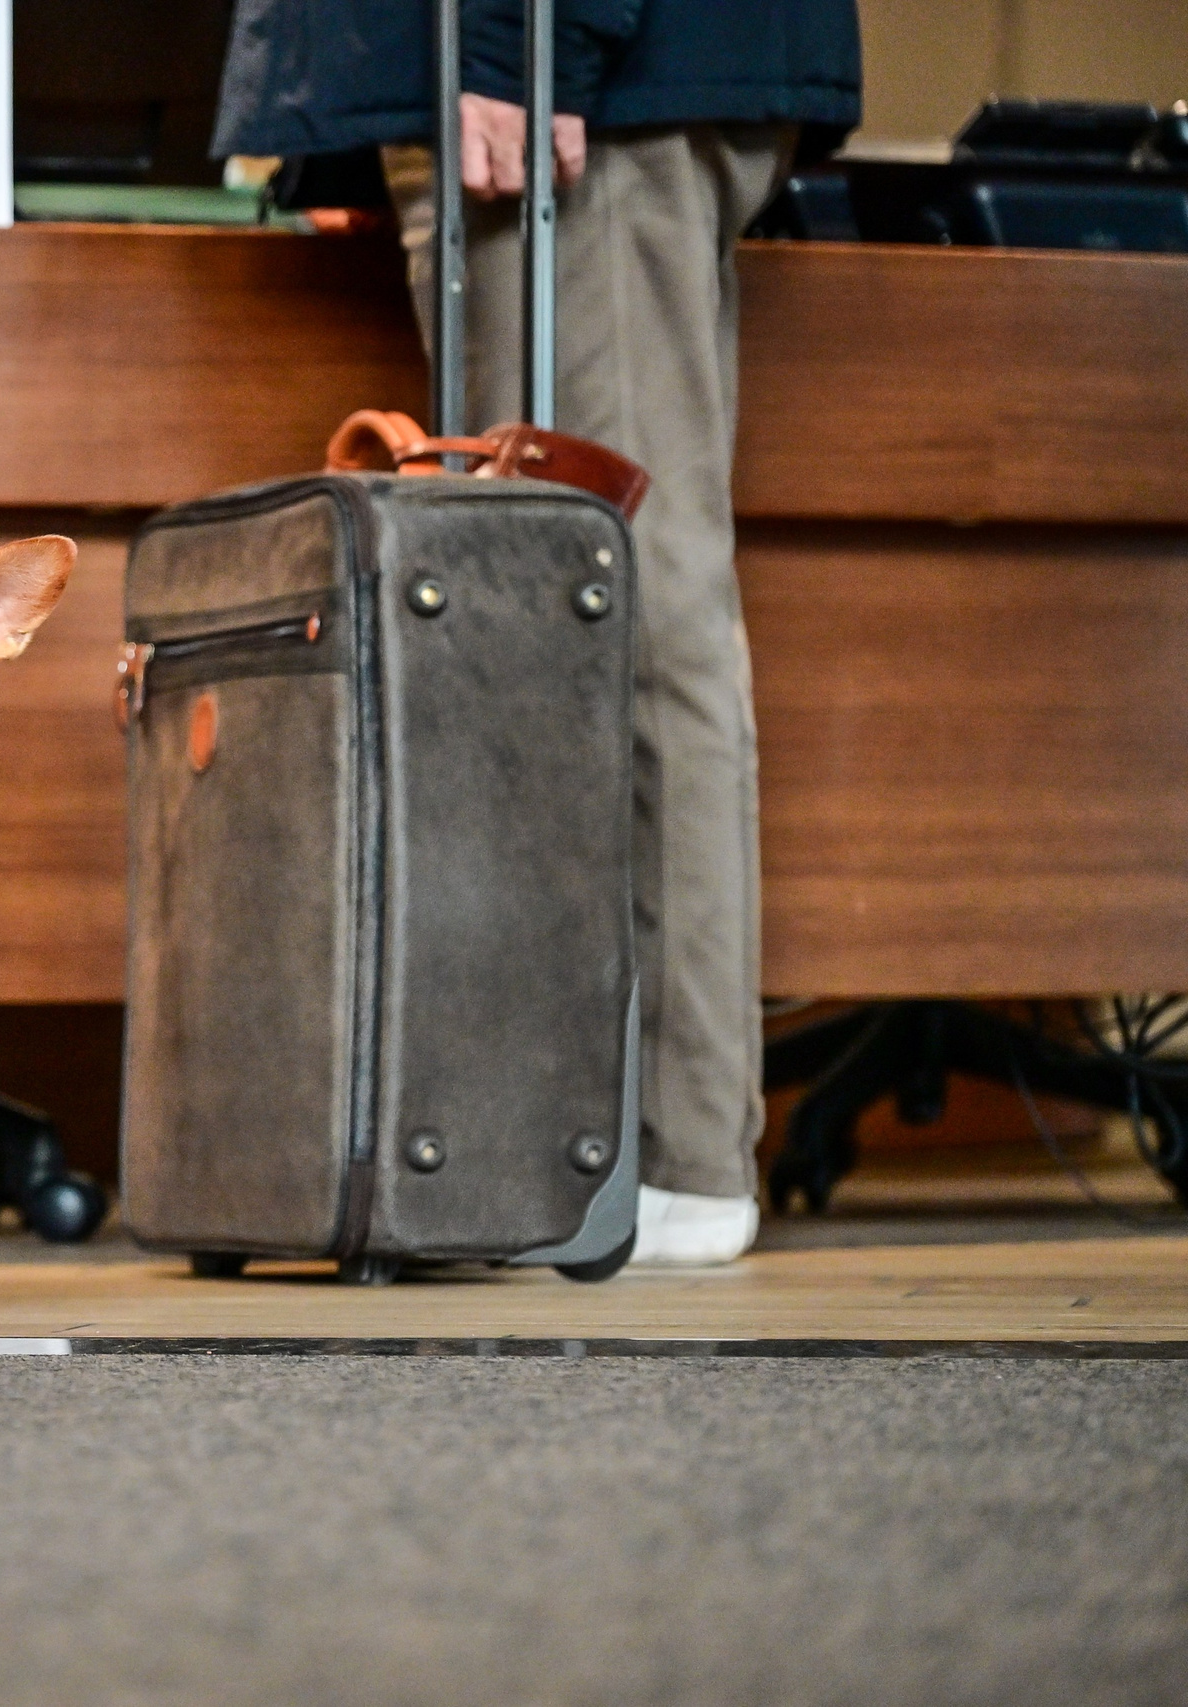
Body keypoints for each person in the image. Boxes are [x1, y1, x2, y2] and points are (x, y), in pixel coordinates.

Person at [214, 0, 862, 1265]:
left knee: (613, 607)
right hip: (545, 77)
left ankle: (669, 1156)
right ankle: (612, 1149)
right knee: (570, 611)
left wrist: (519, 47)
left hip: (572, 80)